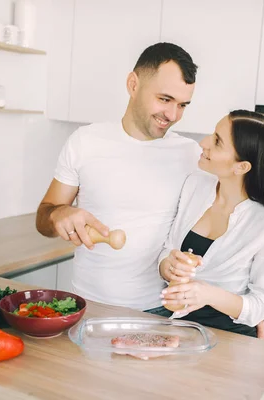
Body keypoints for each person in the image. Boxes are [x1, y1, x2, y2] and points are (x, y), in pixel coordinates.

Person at [36, 42, 200, 312]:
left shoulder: (191, 155)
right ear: (133, 84)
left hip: (155, 312)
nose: (172, 115)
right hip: (85, 306)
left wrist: (250, 314)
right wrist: (59, 214)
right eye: (165, 99)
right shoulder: (85, 142)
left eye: (182, 105)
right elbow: (44, 218)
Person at [158, 110, 264, 337]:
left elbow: (262, 305)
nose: (203, 143)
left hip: (231, 340)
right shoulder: (195, 186)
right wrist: (168, 266)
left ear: (241, 167)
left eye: (217, 141)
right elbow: (167, 250)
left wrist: (207, 294)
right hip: (178, 331)